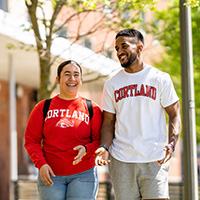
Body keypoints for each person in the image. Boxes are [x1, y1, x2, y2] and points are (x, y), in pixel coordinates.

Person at [95, 29, 181, 200]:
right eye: (117, 48)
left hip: (154, 158)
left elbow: (174, 114)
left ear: (140, 47)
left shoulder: (160, 78)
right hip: (122, 160)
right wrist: (104, 147)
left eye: (124, 46)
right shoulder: (112, 84)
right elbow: (108, 121)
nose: (119, 52)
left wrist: (171, 144)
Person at [24, 60, 102, 200]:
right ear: (58, 79)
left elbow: (100, 141)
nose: (72, 79)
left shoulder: (92, 109)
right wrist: (41, 164)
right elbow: (31, 141)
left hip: (84, 175)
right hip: (51, 175)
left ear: (81, 80)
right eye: (67, 74)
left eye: (76, 75)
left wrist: (86, 149)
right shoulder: (42, 107)